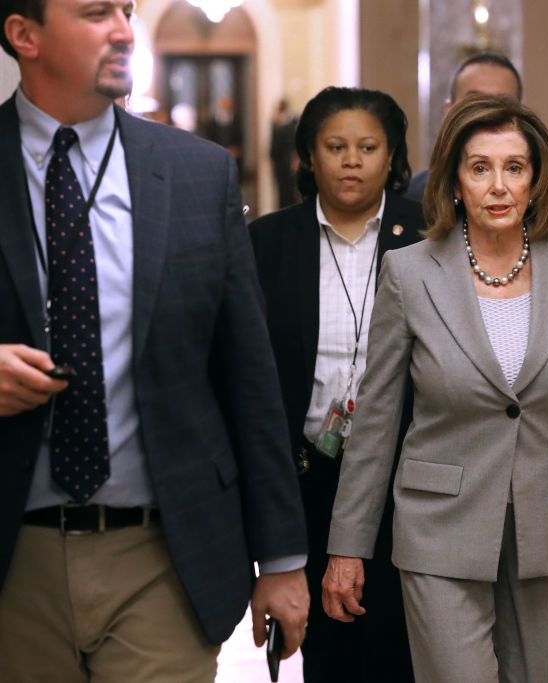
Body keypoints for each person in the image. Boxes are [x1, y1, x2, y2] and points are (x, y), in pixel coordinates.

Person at [0, 0, 309, 680]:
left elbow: (248, 372)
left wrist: (283, 558)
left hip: (164, 553)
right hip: (14, 559)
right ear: (24, 35)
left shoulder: (198, 173)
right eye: (95, 13)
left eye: (127, 9)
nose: (122, 29)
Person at [321, 93, 548, 683]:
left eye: (515, 167)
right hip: (440, 531)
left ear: (536, 179)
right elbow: (376, 422)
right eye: (480, 167)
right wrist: (347, 546)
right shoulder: (409, 273)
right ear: (455, 180)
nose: (499, 186)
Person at [249, 86, 423, 683]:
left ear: (392, 155)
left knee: (406, 651)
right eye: (335, 147)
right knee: (328, 655)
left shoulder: (430, 234)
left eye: (368, 147)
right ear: (308, 156)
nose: (352, 161)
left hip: (409, 481)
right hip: (310, 477)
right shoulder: (267, 243)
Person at [404, 50, 522, 202]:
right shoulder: (409, 199)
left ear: (521, 116)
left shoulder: (545, 201)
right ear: (449, 111)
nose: (488, 114)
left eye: (501, 103)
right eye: (474, 102)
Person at [269, 97, 299, 209]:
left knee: (290, 190)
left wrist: (296, 158)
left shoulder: (293, 121)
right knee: (281, 189)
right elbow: (273, 143)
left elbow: (295, 142)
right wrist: (271, 158)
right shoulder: (275, 123)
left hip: (290, 160)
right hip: (279, 161)